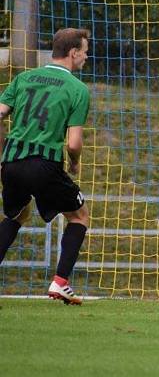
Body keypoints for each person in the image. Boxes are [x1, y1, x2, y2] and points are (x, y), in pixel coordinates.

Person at [0, 28, 92, 305]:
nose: (86, 57)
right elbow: (74, 143)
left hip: (11, 162)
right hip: (44, 165)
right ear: (73, 52)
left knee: (17, 216)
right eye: (85, 51)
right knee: (79, 216)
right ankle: (60, 282)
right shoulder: (77, 89)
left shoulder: (23, 78)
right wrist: (75, 163)